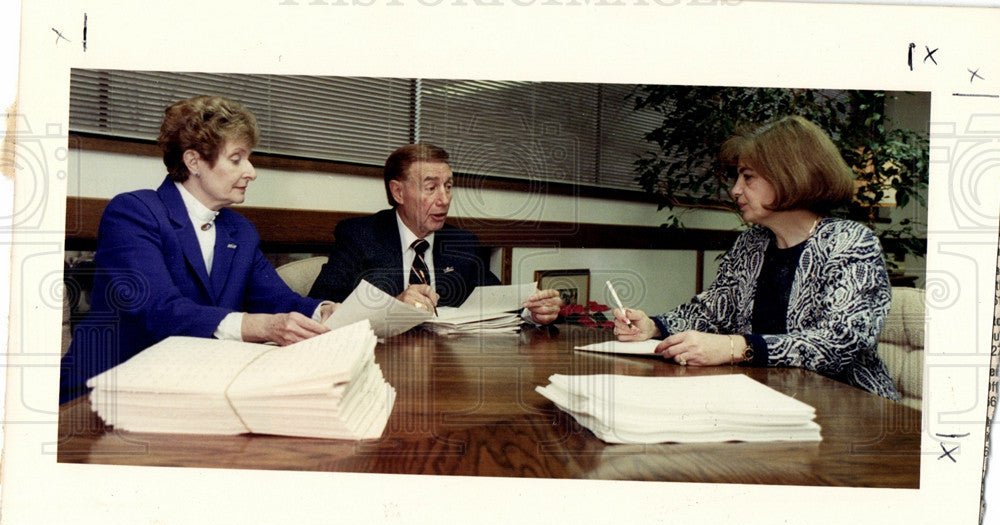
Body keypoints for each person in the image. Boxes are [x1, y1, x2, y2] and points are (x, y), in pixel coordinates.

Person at [60, 96, 334, 403]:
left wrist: (325, 312)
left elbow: (277, 299)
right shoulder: (132, 213)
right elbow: (158, 311)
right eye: (236, 159)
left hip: (191, 390)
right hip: (104, 392)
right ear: (193, 162)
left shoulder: (240, 230)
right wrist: (261, 326)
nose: (251, 172)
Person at [614, 115, 899, 400]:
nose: (735, 189)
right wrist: (652, 326)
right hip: (769, 397)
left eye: (748, 177)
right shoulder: (751, 243)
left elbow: (839, 342)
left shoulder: (851, 242)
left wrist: (734, 347)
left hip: (850, 407)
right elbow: (711, 312)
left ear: (789, 175)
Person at [308, 143, 562, 323]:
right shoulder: (360, 236)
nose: (444, 199)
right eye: (431, 188)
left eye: (448, 187)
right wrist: (394, 306)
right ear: (398, 192)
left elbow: (496, 299)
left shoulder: (462, 243)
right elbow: (323, 305)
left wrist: (533, 311)